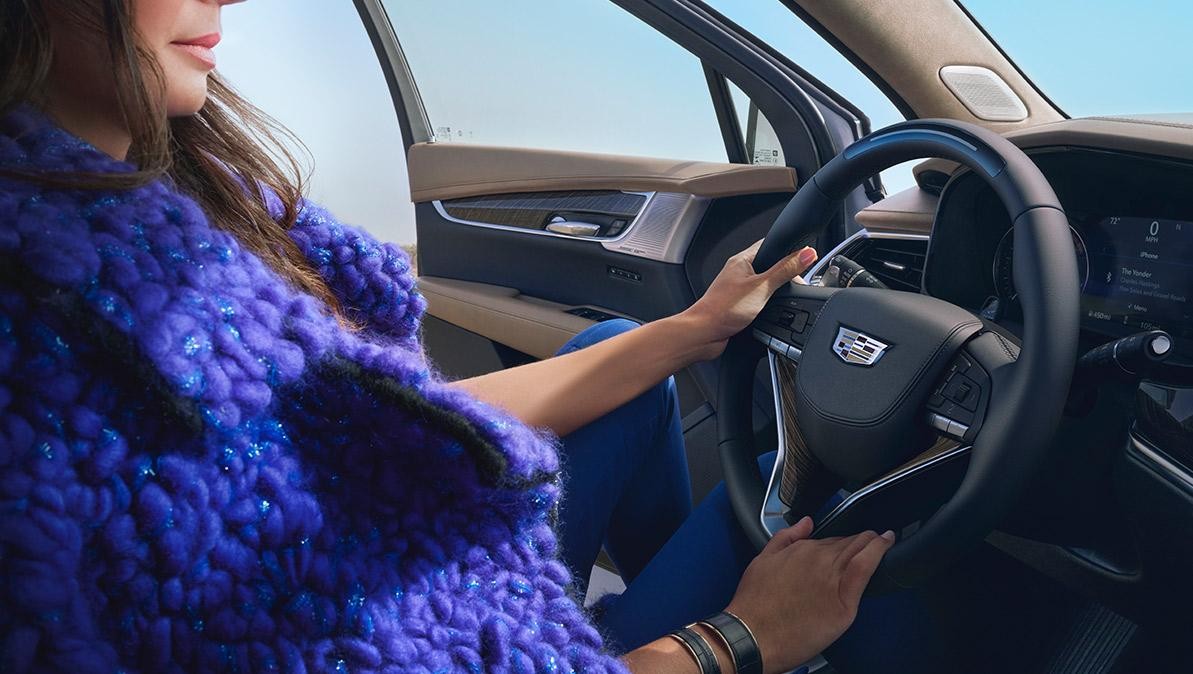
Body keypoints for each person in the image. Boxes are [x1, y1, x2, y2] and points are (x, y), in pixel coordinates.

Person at [0, 1, 896, 672]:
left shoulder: (183, 217)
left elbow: (391, 429)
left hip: (450, 596)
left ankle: (628, 610)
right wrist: (737, 639)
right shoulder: (60, 351)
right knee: (850, 503)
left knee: (626, 344)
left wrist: (693, 330)